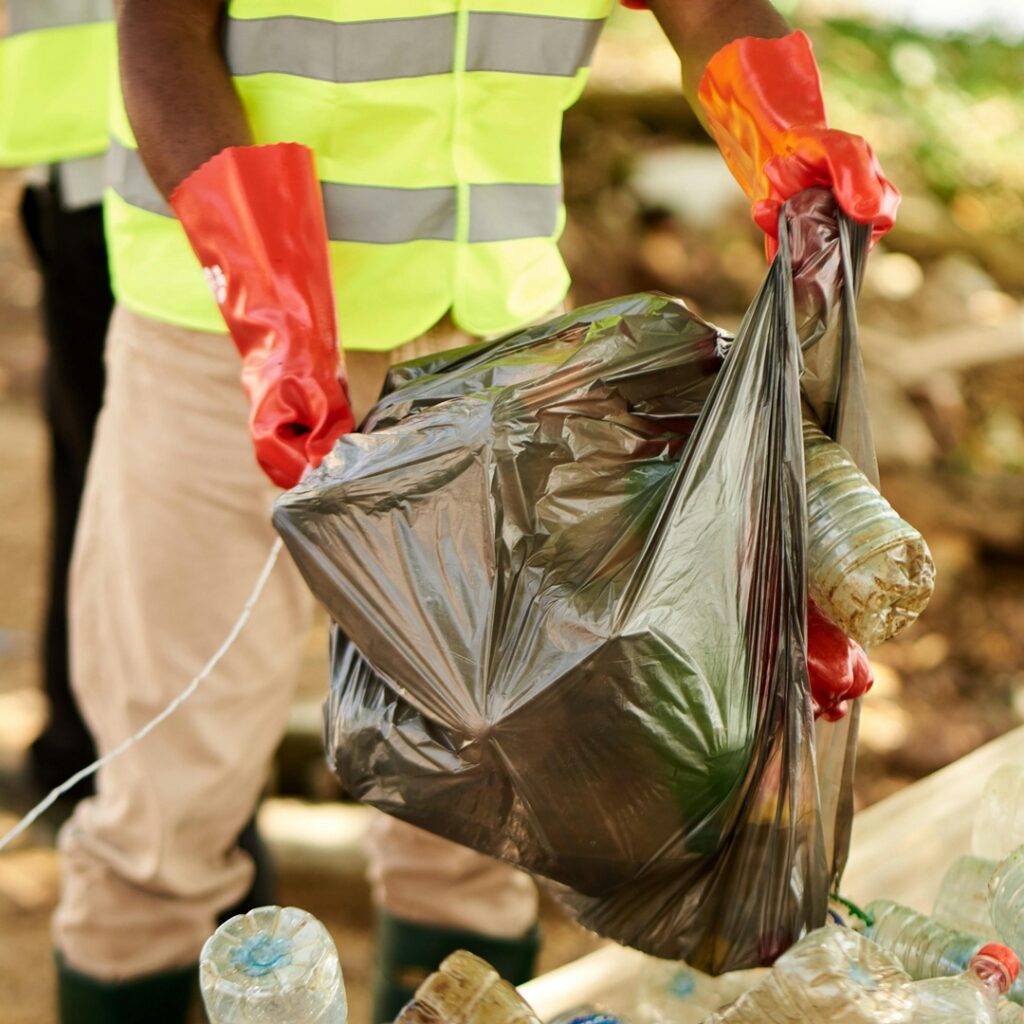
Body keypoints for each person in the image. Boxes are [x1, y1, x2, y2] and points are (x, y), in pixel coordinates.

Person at [52, 1, 899, 1022]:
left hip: (501, 362)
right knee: (163, 811)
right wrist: (270, 302)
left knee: (490, 807)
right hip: (221, 329)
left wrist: (786, 134)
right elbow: (162, 26)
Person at [0, 0, 113, 803]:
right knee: (114, 481)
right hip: (121, 171)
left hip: (94, 164)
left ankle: (80, 752)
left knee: (96, 476)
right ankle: (88, 756)